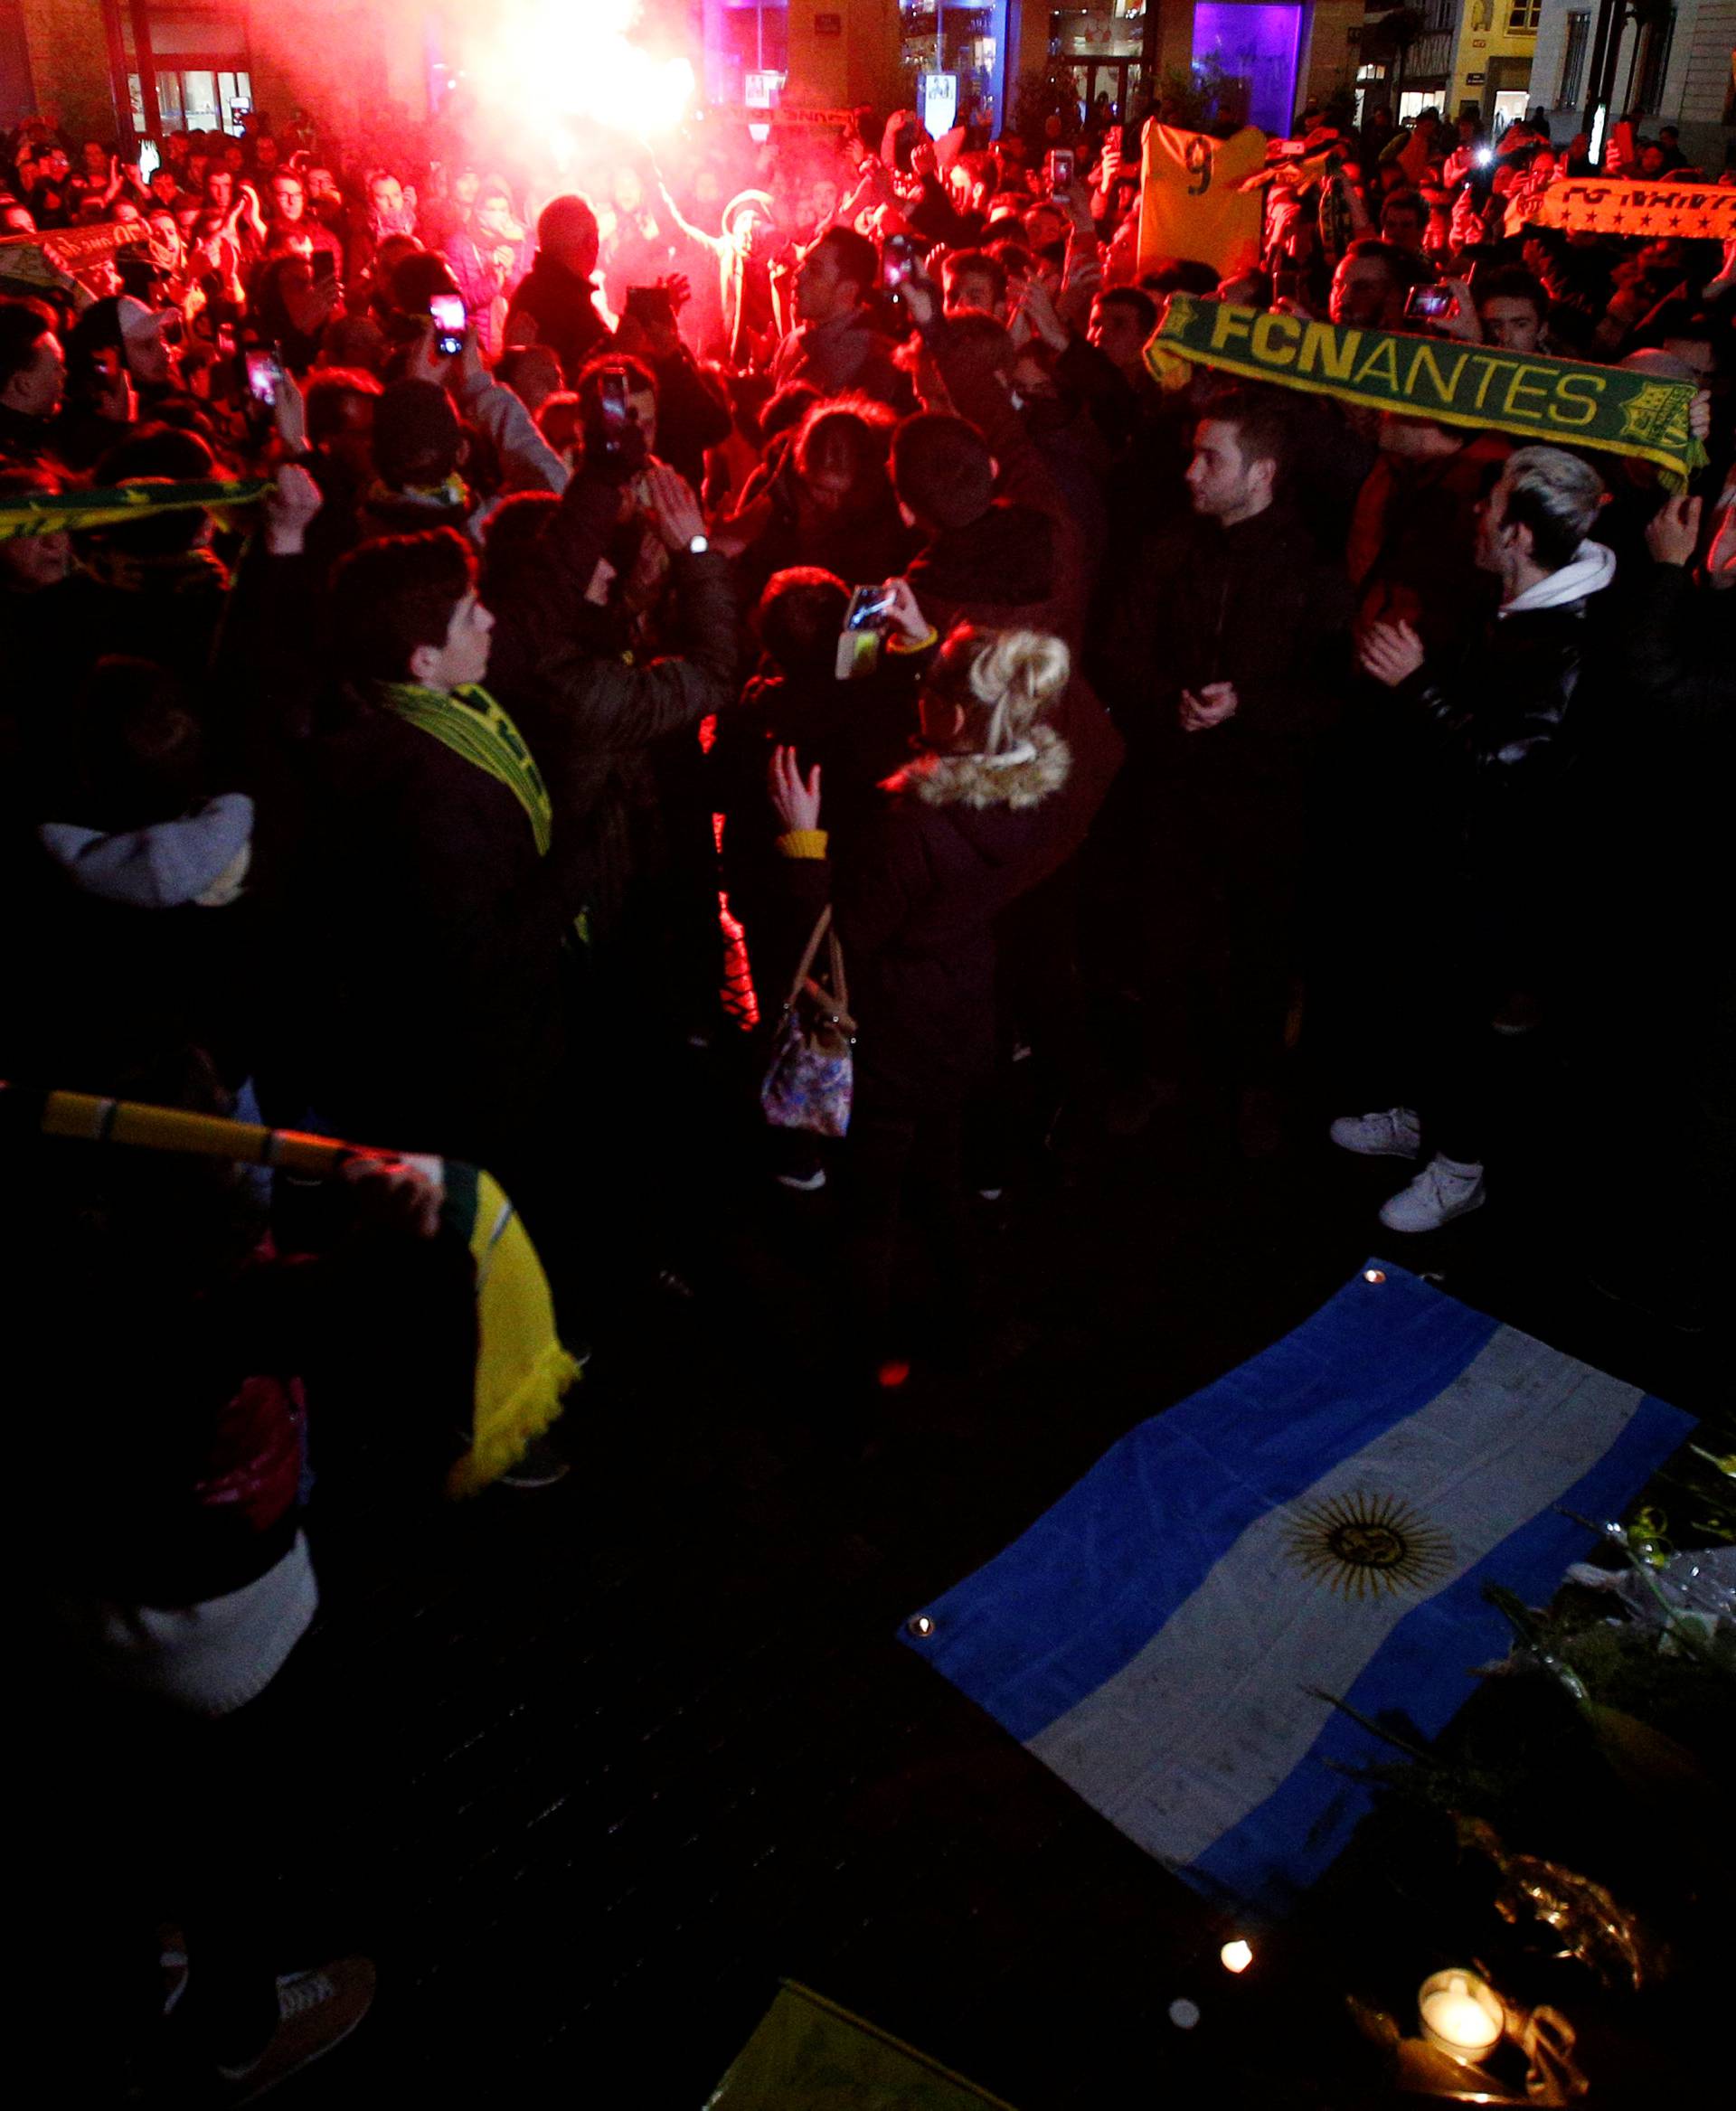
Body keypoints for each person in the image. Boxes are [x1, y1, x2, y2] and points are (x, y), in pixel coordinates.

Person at [1341, 446, 1615, 1230]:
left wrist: (1417, 686)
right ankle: (1426, 1125)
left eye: (1491, 507)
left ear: (1522, 536)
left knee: (1466, 1016)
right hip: (1461, 856)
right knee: (1431, 999)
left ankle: (1460, 1169)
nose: (1476, 515)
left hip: (1503, 877)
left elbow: (1506, 766)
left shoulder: (1569, 642)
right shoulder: (1514, 608)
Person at [1105, 390, 1353, 1147]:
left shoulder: (1310, 571)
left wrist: (1250, 705)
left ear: (1264, 473)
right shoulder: (1171, 548)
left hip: (1264, 796)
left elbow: (1333, 695)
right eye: (1192, 452)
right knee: (1163, 935)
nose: (1191, 471)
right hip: (1174, 783)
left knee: (1258, 945)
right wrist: (1167, 703)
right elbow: (1119, 651)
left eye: (1212, 458)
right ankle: (1163, 1073)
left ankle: (1253, 1087)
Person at [770, 226, 909, 407]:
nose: (799, 274)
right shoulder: (791, 343)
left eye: (815, 270)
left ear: (848, 290)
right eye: (803, 264)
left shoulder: (876, 359)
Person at [505, 193, 612, 382]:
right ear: (591, 243)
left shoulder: (532, 291)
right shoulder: (565, 303)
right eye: (595, 236)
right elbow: (598, 374)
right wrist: (632, 340)